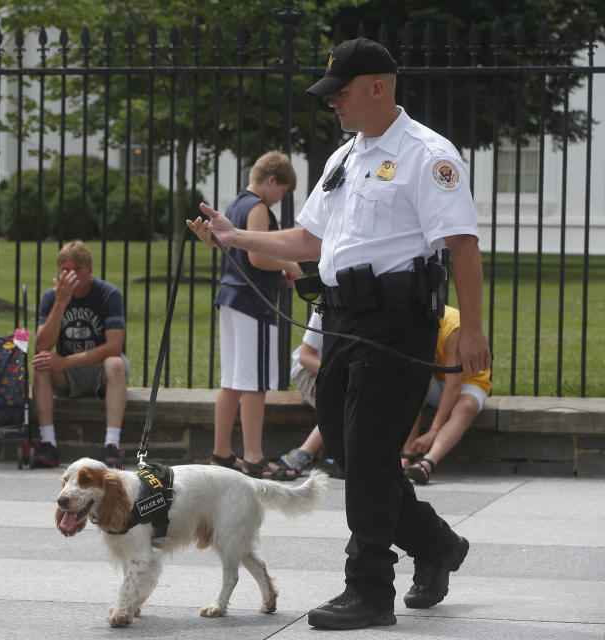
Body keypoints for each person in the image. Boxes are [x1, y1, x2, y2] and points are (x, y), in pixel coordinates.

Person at [187, 37, 491, 631]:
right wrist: (237, 238)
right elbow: (310, 242)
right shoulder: (345, 158)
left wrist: (473, 328)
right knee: (355, 455)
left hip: (399, 323)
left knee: (372, 454)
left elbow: (462, 244)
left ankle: (369, 588)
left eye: (342, 93)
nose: (334, 104)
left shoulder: (428, 155)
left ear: (378, 87)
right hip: (342, 320)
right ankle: (436, 545)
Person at [190, 151, 303, 480]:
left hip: (230, 296)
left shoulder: (236, 204)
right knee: (255, 383)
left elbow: (235, 249)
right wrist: (288, 264)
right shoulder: (257, 207)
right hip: (253, 300)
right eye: (282, 191)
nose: (281, 198)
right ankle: (254, 457)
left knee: (232, 379)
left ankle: (221, 453)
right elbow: (257, 257)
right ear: (272, 181)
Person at [31, 240, 129, 469]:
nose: (71, 275)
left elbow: (114, 347)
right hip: (70, 374)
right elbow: (42, 344)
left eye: (77, 269)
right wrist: (61, 302)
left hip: (100, 371)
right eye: (65, 269)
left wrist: (64, 360)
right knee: (41, 364)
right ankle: (48, 443)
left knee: (115, 363)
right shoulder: (51, 297)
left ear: (89, 271)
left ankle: (112, 446)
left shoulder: (108, 294)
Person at [401, 304, 492, 484]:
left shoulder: (452, 326)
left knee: (466, 407)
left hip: (468, 381)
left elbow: (454, 384)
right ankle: (406, 456)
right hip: (436, 378)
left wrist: (434, 429)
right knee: (409, 385)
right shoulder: (408, 325)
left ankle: (427, 463)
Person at [279, 311, 337, 477]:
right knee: (340, 400)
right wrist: (340, 375)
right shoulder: (324, 308)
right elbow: (305, 356)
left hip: (346, 375)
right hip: (310, 371)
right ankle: (304, 452)